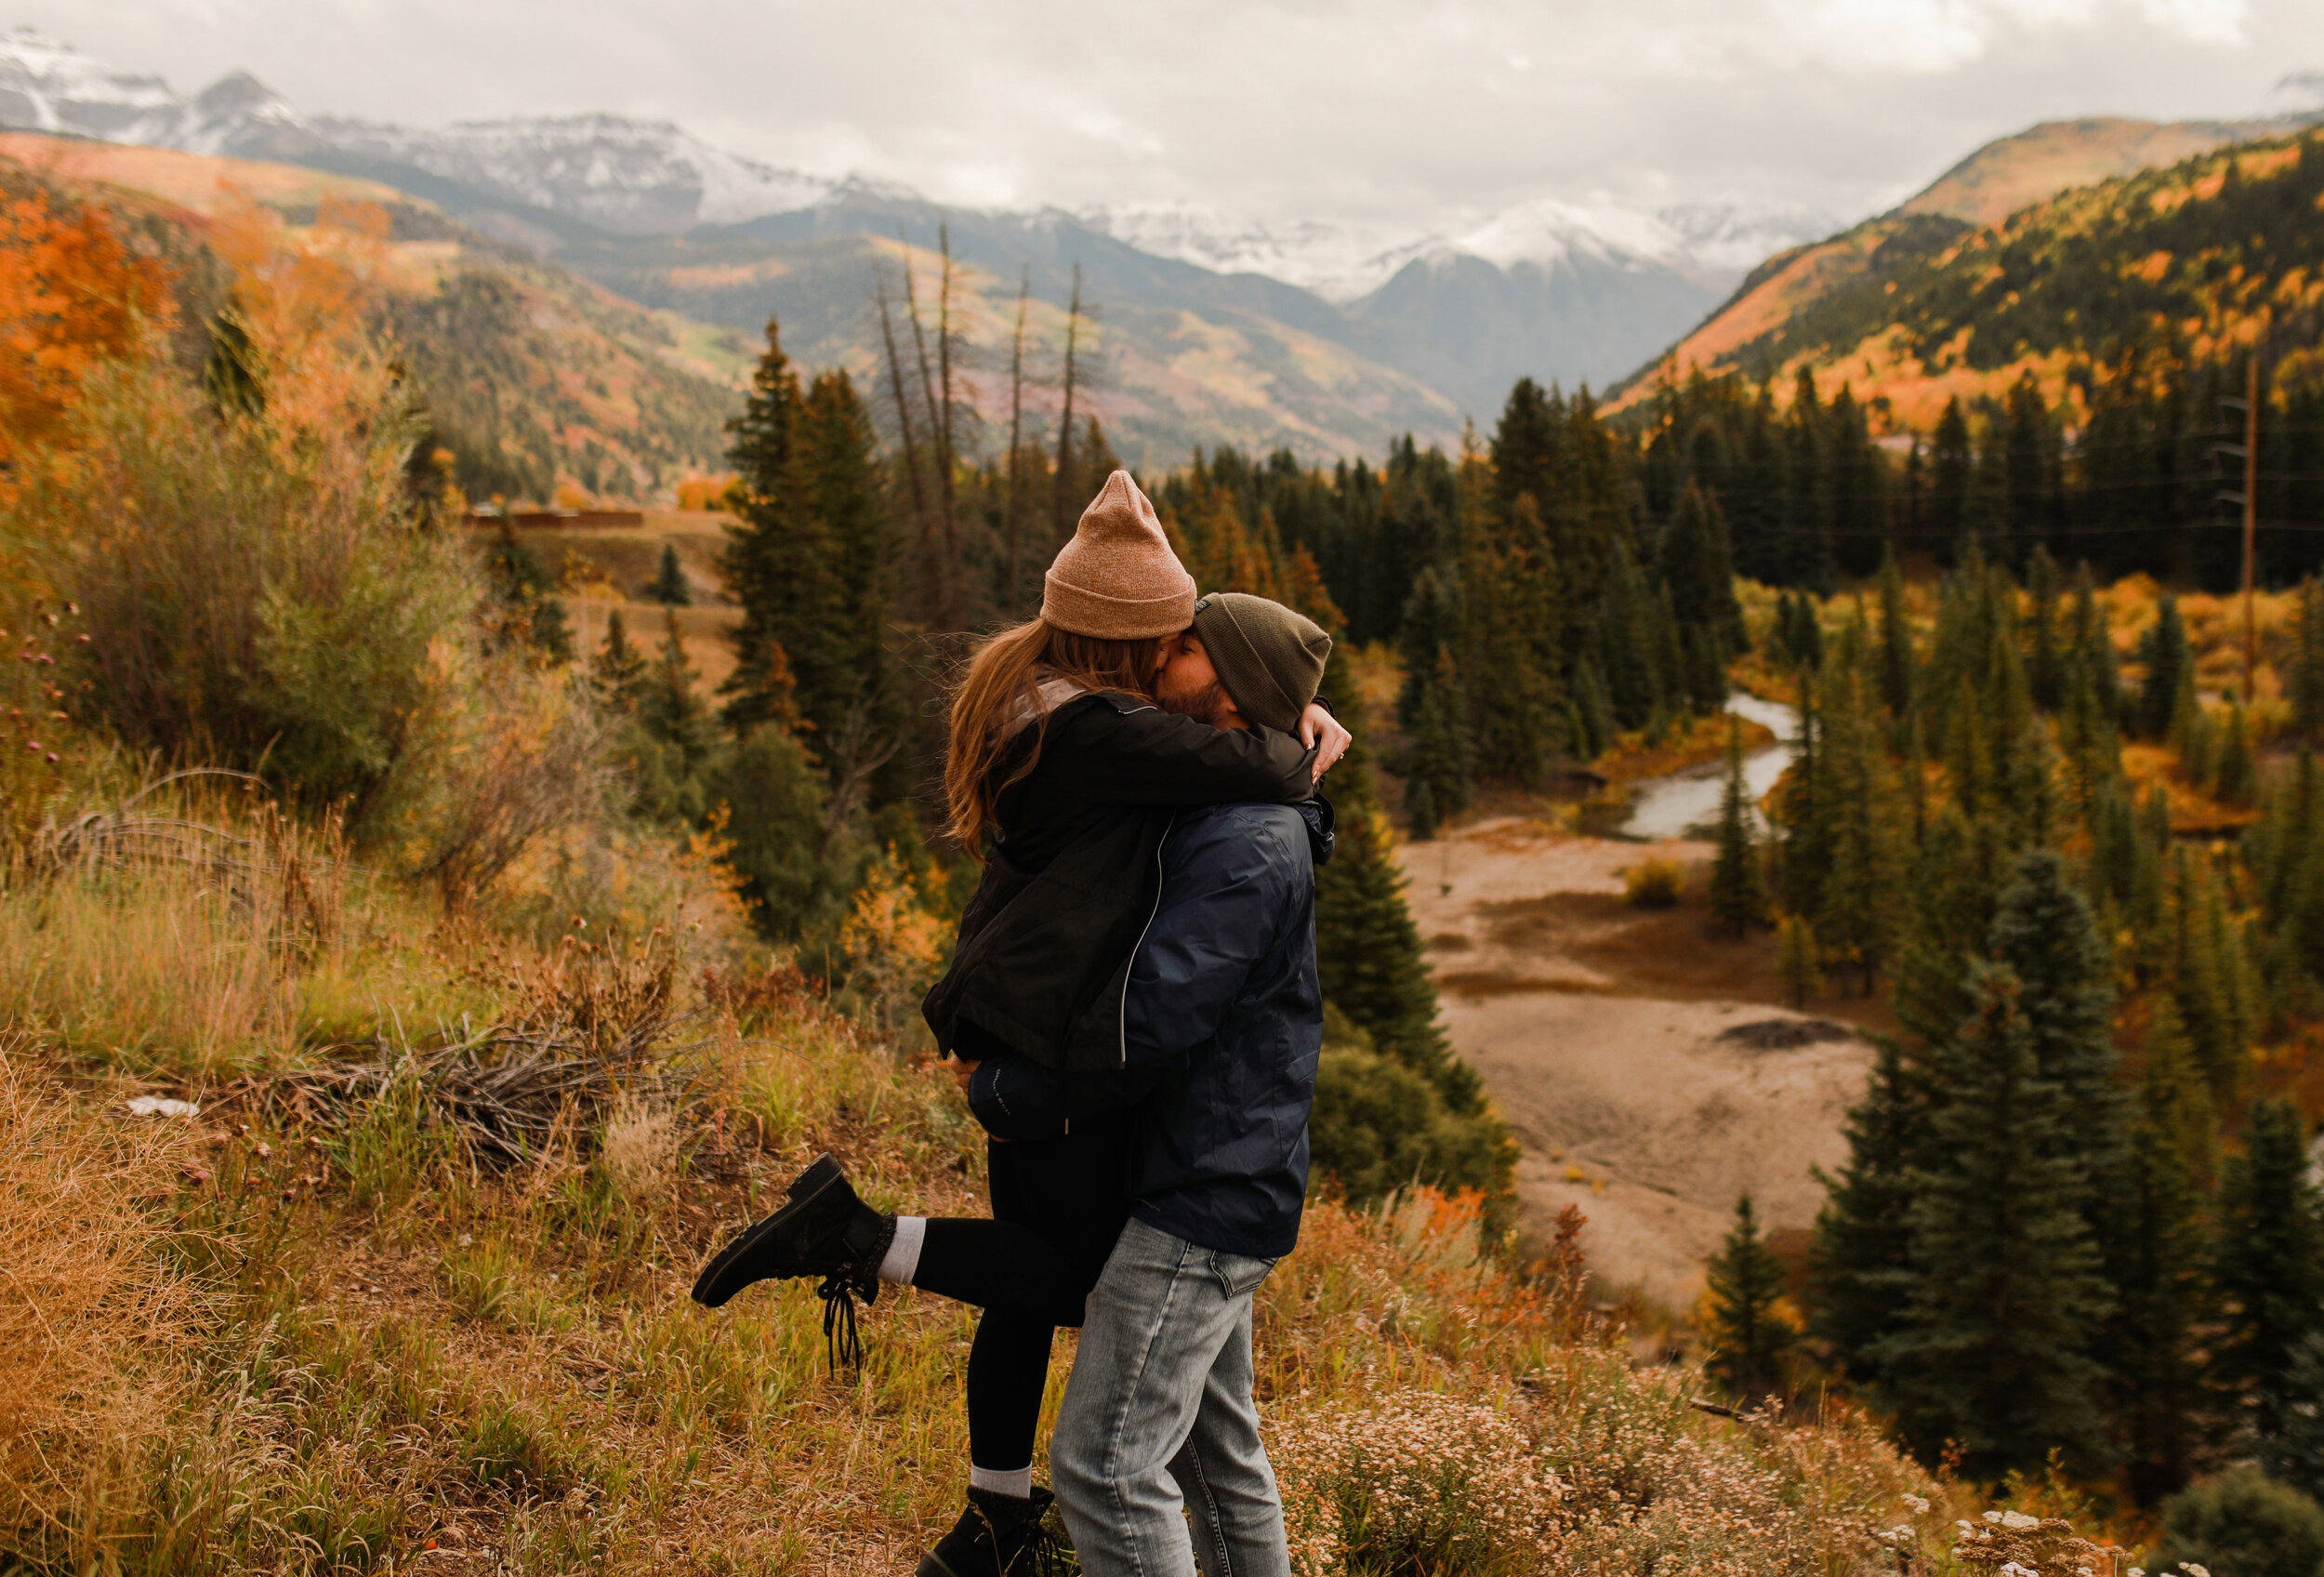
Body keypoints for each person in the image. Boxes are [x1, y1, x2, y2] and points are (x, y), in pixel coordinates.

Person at [689, 471, 1347, 1577]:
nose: (1178, 649)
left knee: (1057, 1281)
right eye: (1171, 635)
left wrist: (1284, 720)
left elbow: (1226, 780)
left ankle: (994, 1515)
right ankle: (857, 1243)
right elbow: (1253, 761)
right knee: (1066, 1279)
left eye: (1196, 641)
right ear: (1128, 645)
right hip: (1053, 1043)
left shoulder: (1042, 690)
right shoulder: (1095, 729)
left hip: (1033, 1022)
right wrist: (1304, 746)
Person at [972, 613, 1327, 1577]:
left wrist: (1024, 1088)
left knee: (1103, 1467)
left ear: (1230, 685)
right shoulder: (1223, 793)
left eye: (1181, 645)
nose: (1154, 657)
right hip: (1217, 1173)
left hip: (1198, 1195)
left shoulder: (1247, 840)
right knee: (1217, 1461)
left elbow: (1153, 1017)